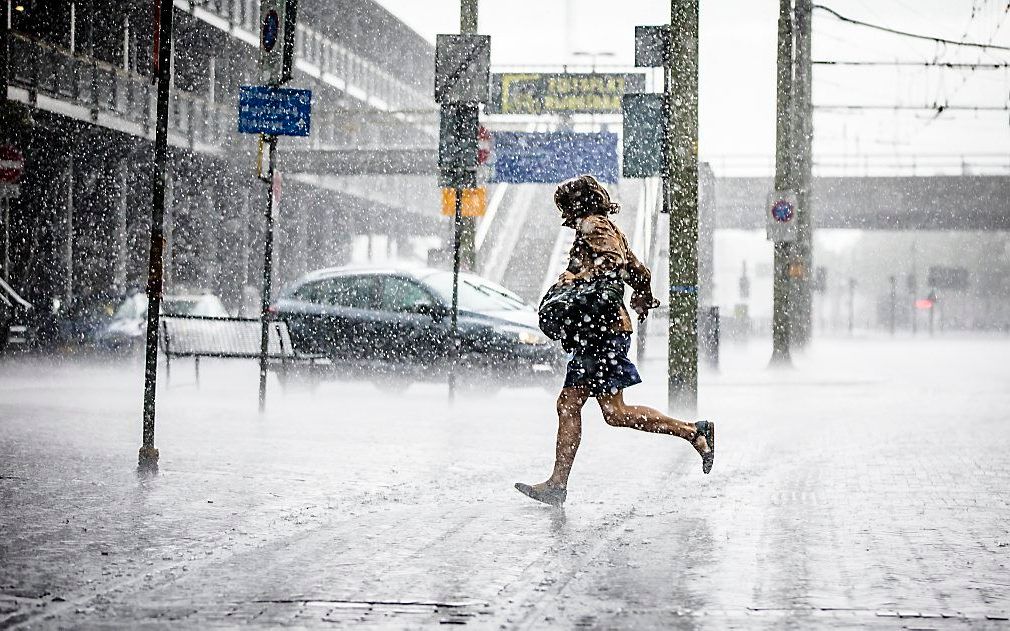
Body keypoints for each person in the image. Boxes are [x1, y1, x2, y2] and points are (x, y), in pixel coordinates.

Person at [515, 174, 715, 507]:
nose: (562, 214)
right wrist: (642, 297)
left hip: (602, 332)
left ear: (576, 203)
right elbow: (640, 272)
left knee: (593, 408)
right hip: (602, 331)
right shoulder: (606, 227)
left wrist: (575, 276)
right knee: (592, 408)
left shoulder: (594, 226)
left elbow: (613, 262)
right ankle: (692, 432)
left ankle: (692, 431)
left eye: (564, 206)